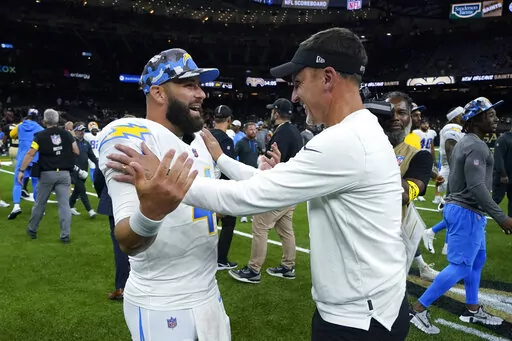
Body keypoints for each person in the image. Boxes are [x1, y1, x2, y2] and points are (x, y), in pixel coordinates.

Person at [109, 28, 410, 341]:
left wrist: (167, 180)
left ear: (328, 78)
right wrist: (223, 162)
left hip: (361, 319)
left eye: (298, 84)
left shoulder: (344, 140)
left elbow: (248, 197)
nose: (294, 97)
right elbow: (269, 183)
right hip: (374, 307)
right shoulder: (358, 133)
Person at [98, 48, 231, 340]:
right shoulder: (132, 136)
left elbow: (208, 211)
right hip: (162, 302)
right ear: (158, 93)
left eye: (200, 85)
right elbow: (127, 241)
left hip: (210, 293)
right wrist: (151, 212)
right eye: (189, 85)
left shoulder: (200, 143)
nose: (201, 94)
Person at [410, 97, 512, 335]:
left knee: (476, 261)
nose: (495, 118)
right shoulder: (476, 146)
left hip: (463, 209)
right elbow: (477, 187)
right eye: (490, 114)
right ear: (476, 119)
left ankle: (473, 309)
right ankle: (418, 310)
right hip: (467, 211)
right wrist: (501, 217)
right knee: (460, 267)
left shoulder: (467, 142)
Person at [229, 98, 303, 284]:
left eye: (273, 111)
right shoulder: (294, 130)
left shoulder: (282, 133)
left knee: (260, 226)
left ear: (276, 113)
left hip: (279, 190)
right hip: (292, 190)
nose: (271, 113)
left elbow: (270, 165)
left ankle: (253, 270)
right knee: (285, 229)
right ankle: (288, 266)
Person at [384, 91, 438, 282]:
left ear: (410, 118)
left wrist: (377, 151)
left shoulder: (419, 156)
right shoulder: (359, 145)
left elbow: (406, 194)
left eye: (402, 113)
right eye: (390, 112)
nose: (395, 117)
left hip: (390, 242)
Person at [21, 109, 80, 243]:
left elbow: (31, 154)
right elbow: (76, 151)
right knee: (64, 206)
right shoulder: (67, 134)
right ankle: (65, 235)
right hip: (64, 174)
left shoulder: (39, 136)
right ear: (58, 120)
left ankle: (32, 229)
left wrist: (21, 170)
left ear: (44, 121)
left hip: (47, 173)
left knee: (40, 203)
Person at [422, 107, 465, 255]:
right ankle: (435, 234)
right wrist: (457, 173)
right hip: (451, 171)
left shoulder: (449, 128)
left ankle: (444, 243)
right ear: (455, 117)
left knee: (457, 211)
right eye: (461, 114)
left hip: (449, 170)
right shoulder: (452, 128)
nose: (464, 116)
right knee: (458, 210)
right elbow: (451, 150)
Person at [93, 167, 129, 300]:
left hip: (116, 200)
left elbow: (98, 177)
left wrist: (102, 194)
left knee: (121, 245)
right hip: (142, 197)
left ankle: (122, 287)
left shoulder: (110, 146)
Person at [210, 105, 238, 270]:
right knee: (228, 222)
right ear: (229, 120)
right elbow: (228, 168)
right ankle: (220, 259)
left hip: (203, 183)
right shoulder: (225, 139)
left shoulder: (204, 136)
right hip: (220, 186)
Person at [8, 110, 44, 220]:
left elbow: (11, 134)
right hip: (35, 158)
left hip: (22, 158)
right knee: (36, 183)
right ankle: (38, 208)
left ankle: (16, 206)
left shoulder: (20, 126)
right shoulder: (40, 128)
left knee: (17, 183)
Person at [69, 122, 97, 218]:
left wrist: (99, 164)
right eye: (80, 130)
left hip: (84, 170)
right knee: (82, 189)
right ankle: (90, 210)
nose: (82, 132)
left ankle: (70, 206)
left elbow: (92, 156)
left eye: (83, 130)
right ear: (75, 131)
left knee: (77, 190)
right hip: (75, 170)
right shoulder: (72, 142)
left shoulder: (86, 143)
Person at [491, 124, 512, 216]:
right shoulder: (503, 138)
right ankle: (476, 217)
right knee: (496, 199)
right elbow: (498, 158)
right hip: (502, 176)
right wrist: (503, 174)